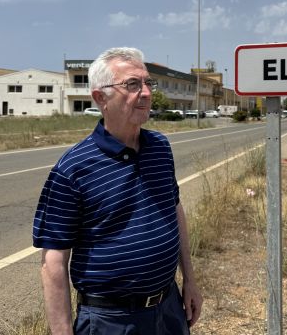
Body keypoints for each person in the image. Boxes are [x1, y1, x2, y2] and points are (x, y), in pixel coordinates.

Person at [33, 47, 202, 334]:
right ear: (101, 98)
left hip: (169, 306)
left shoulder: (160, 148)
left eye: (148, 83)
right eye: (133, 85)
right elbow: (53, 262)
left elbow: (174, 211)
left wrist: (190, 279)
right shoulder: (73, 168)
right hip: (110, 320)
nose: (147, 92)